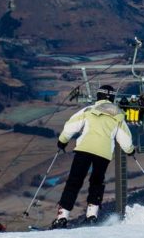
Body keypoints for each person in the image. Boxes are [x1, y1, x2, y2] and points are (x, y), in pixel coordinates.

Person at [52, 85, 135, 228]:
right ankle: (91, 215)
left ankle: (62, 217)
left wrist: (62, 141)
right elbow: (126, 139)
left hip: (84, 149)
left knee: (74, 181)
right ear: (112, 98)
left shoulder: (88, 110)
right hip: (103, 153)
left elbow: (70, 127)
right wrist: (130, 151)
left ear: (98, 97)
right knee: (97, 181)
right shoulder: (118, 116)